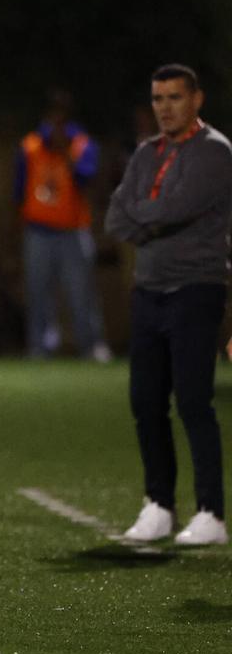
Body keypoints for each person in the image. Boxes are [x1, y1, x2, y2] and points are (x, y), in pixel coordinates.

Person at [105, 63, 232, 546]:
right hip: (149, 289)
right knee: (145, 400)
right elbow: (117, 216)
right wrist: (148, 218)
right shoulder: (145, 153)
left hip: (196, 288)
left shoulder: (214, 152)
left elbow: (181, 206)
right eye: (158, 99)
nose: (165, 108)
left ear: (196, 99)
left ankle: (211, 513)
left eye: (175, 98)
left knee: (194, 400)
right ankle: (158, 503)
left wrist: (146, 217)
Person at [16, 90, 111, 361]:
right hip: (38, 231)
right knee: (38, 292)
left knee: (82, 292)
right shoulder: (30, 146)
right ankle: (39, 346)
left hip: (74, 230)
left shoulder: (82, 145)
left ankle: (91, 345)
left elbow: (87, 182)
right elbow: (18, 190)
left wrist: (68, 157)